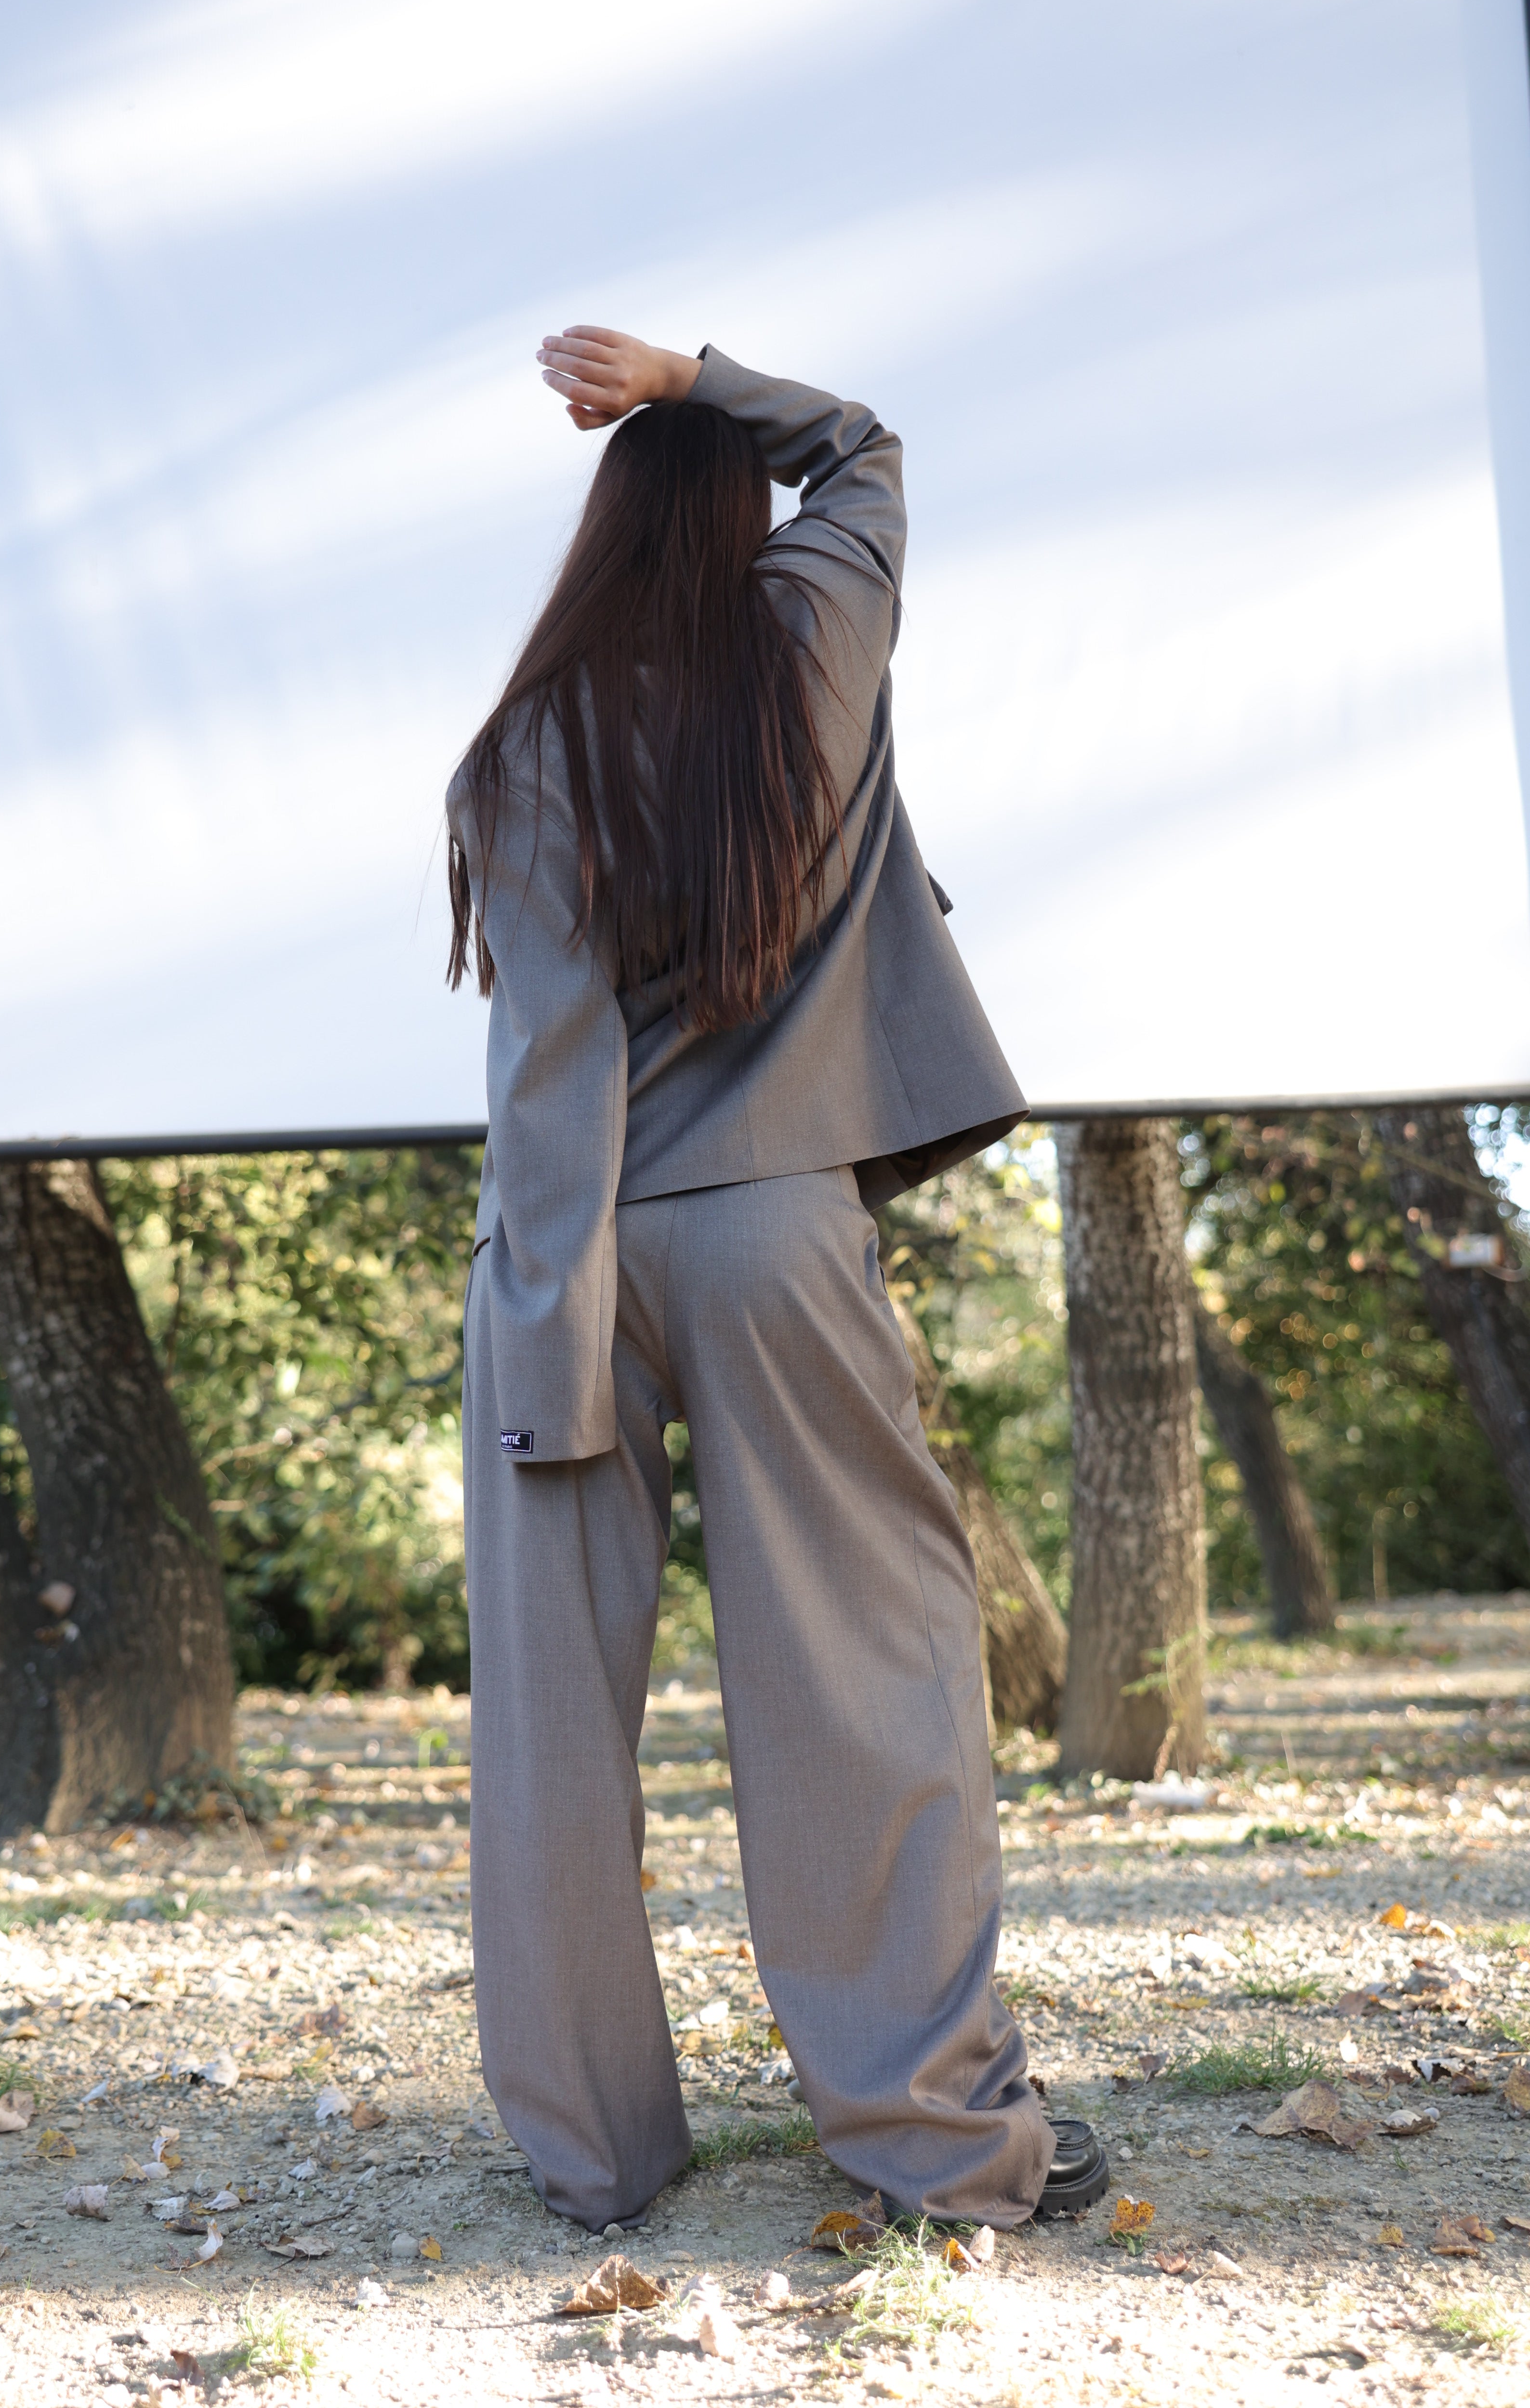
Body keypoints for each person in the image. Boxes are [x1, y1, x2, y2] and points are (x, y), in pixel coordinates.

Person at [444, 327, 1107, 2237]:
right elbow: (870, 450)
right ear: (742, 516)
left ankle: (594, 2157)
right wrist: (693, 373)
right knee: (867, 1690)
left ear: (605, 538)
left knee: (551, 1726)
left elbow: (547, 1058)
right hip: (774, 1230)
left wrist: (555, 1314)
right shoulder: (812, 642)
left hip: (567, 1254)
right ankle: (939, 2149)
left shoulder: (531, 742)